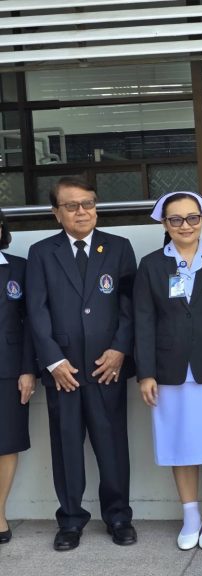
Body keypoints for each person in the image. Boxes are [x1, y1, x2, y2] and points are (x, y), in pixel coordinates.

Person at [26, 176, 137, 551]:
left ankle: (119, 516)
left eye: (88, 203)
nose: (81, 212)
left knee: (112, 445)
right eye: (71, 206)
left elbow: (128, 306)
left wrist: (120, 349)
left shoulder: (119, 248)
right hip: (64, 372)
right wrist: (53, 360)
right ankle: (70, 521)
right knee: (67, 446)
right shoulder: (42, 253)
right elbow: (35, 311)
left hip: (107, 367)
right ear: (56, 213)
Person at [133, 191, 202, 551]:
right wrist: (145, 372)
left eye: (192, 218)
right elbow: (143, 320)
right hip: (170, 369)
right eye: (176, 219)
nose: (185, 226)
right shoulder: (150, 265)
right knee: (179, 442)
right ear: (164, 224)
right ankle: (190, 513)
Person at [0, 209, 37, 545]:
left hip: (8, 369)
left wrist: (28, 369)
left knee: (5, 443)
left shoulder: (19, 268)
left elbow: (31, 325)